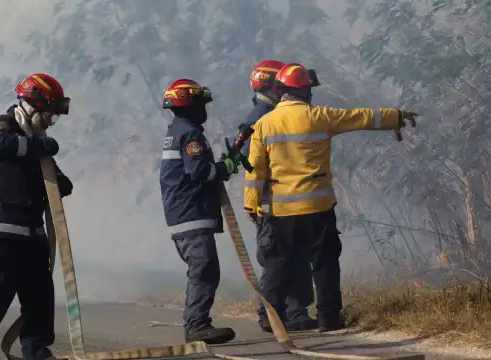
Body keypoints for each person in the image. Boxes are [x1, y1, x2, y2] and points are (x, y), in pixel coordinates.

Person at [243, 63, 418, 332]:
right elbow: (360, 117)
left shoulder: (264, 124)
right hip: (317, 207)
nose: (312, 95)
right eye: (310, 90)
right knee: (324, 263)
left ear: (281, 92)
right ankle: (328, 318)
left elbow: (255, 170)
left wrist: (251, 203)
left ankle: (271, 318)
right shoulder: (320, 116)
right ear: (304, 92)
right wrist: (395, 116)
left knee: (278, 264)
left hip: (280, 211)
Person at [0, 73, 74, 360]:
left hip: (33, 236)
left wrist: (54, 172)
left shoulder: (39, 145)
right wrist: (40, 148)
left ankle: (36, 351)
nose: (50, 122)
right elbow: (2, 146)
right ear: (32, 105)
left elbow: (62, 184)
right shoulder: (2, 126)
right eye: (49, 114)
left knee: (40, 298)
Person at [159, 78, 240, 345]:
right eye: (201, 104)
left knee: (204, 268)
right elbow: (200, 171)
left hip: (184, 214)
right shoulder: (190, 134)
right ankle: (197, 326)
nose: (205, 110)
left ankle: (196, 324)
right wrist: (225, 167)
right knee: (203, 268)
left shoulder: (177, 130)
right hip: (190, 214)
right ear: (191, 105)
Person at [240, 60, 317, 333]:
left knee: (293, 256)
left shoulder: (269, 114)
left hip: (284, 199)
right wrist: (254, 202)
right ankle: (271, 314)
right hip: (273, 203)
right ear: (274, 86)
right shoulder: (261, 118)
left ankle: (294, 312)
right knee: (277, 259)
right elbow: (254, 164)